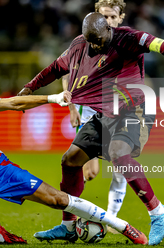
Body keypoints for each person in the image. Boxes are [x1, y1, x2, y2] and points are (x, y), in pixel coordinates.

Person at [18, 13, 164, 245]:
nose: (94, 45)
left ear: (108, 28)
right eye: (90, 41)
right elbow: (56, 68)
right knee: (70, 160)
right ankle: (68, 226)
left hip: (134, 110)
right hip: (104, 114)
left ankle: (158, 212)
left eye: (98, 39)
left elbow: (163, 45)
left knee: (119, 153)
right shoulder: (79, 45)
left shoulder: (129, 38)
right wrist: (30, 87)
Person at [0, 73, 149, 245]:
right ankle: (2, 237)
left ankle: (123, 226)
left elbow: (14, 103)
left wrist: (53, 98)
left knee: (57, 200)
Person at [62, 0, 127, 222]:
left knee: (121, 164)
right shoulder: (85, 42)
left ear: (121, 18)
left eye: (112, 17)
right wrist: (71, 106)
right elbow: (64, 72)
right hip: (91, 112)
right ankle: (72, 218)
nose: (107, 21)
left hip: (120, 114)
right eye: (103, 17)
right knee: (90, 172)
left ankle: (112, 217)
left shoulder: (129, 43)